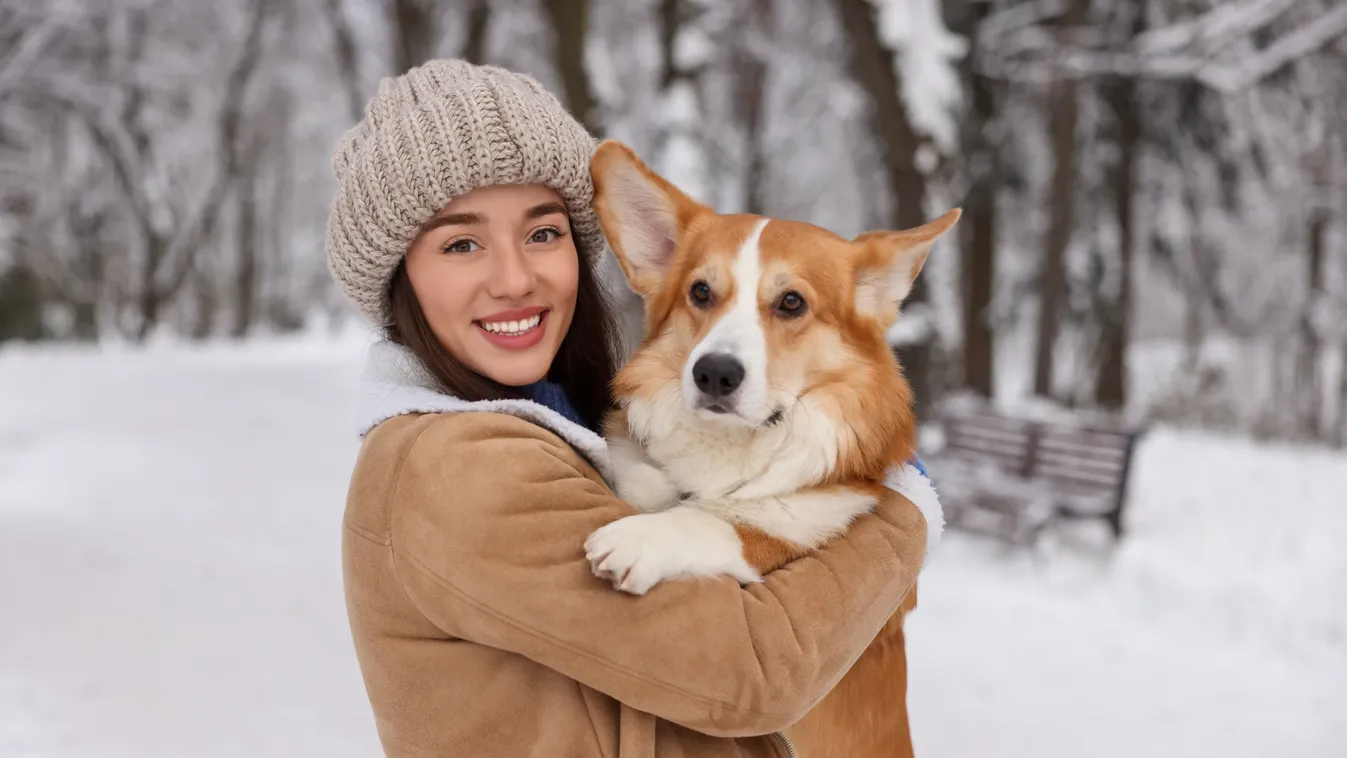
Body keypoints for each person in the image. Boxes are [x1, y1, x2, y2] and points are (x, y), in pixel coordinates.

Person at [327, 59, 932, 758]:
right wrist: (899, 513)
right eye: (461, 243)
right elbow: (750, 669)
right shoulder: (451, 467)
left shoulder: (565, 427)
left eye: (543, 233)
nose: (515, 278)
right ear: (399, 278)